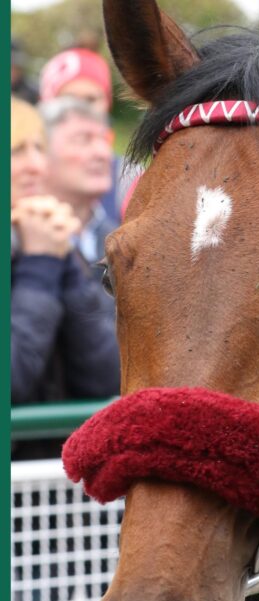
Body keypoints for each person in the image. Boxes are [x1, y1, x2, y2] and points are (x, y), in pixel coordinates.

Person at [10, 97, 120, 456]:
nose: (35, 166)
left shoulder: (47, 237)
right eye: (15, 151)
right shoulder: (39, 251)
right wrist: (41, 264)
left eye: (38, 149)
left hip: (55, 489)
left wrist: (61, 261)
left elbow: (106, 375)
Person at [39, 47, 133, 225]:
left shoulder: (129, 178)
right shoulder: (22, 180)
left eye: (91, 99)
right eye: (69, 98)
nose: (82, 109)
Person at [39, 96, 117, 264]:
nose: (103, 153)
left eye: (105, 140)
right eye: (83, 140)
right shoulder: (19, 242)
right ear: (42, 151)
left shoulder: (121, 243)